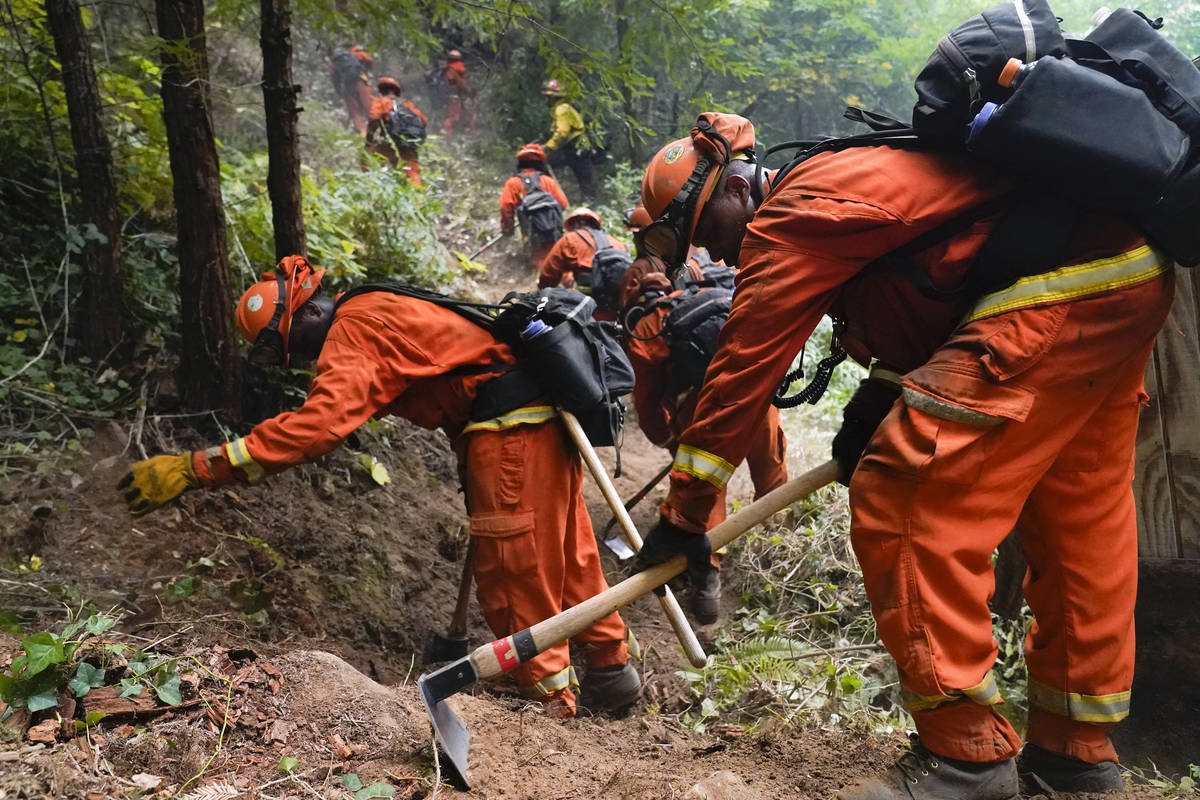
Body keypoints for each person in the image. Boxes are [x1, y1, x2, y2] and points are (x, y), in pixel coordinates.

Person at [634, 112, 1173, 798]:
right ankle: (1075, 755)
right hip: (1121, 277)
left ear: (738, 187)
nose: (722, 257)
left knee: (905, 490)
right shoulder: (846, 180)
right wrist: (882, 391)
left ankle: (966, 759)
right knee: (1076, 521)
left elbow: (743, 368)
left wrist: (683, 516)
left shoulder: (793, 210)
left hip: (1054, 292)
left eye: (711, 234)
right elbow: (944, 281)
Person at [116, 256, 642, 717]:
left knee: (515, 575)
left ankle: (551, 707)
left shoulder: (353, 329)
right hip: (536, 423)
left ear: (310, 312)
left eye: (296, 346)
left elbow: (317, 428)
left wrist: (198, 467)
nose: (304, 361)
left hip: (508, 434)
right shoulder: (376, 306)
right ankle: (611, 669)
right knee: (569, 558)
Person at [626, 280, 789, 623]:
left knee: (705, 486)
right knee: (772, 477)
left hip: (706, 406)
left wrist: (668, 438)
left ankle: (707, 581)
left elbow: (646, 399)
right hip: (760, 394)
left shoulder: (650, 326)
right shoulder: (725, 295)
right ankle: (782, 547)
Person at [537, 207, 628, 321]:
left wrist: (542, 294)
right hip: (617, 306)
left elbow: (549, 273)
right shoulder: (616, 243)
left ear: (572, 225)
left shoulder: (569, 239)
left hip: (585, 305)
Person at [499, 143, 568, 272]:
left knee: (539, 266)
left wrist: (508, 228)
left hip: (532, 236)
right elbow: (563, 204)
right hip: (554, 233)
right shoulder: (548, 181)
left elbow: (505, 207)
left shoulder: (513, 183)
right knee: (558, 265)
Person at [540, 79, 596, 199]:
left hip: (574, 145)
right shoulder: (565, 107)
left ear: (553, 97)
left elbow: (562, 132)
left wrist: (548, 147)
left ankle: (547, 196)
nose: (546, 101)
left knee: (543, 165)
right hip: (577, 145)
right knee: (585, 178)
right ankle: (589, 204)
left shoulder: (561, 109)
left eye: (548, 97)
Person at [365, 78, 426, 186]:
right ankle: (417, 195)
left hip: (391, 141)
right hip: (409, 141)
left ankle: (370, 185)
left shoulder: (381, 101)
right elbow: (423, 121)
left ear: (382, 91)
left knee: (368, 156)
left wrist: (368, 140)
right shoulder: (407, 104)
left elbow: (374, 119)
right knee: (411, 168)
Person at [330, 43, 374, 135]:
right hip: (361, 79)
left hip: (347, 84)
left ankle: (363, 133)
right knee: (369, 108)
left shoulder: (333, 61)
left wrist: (340, 93)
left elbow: (334, 78)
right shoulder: (357, 53)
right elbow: (369, 62)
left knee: (355, 113)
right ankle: (378, 132)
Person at [441, 49, 473, 136]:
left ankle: (454, 135)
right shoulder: (454, 71)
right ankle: (447, 136)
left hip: (446, 97)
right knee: (454, 117)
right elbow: (461, 85)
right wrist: (468, 92)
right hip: (454, 98)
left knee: (457, 116)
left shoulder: (446, 70)